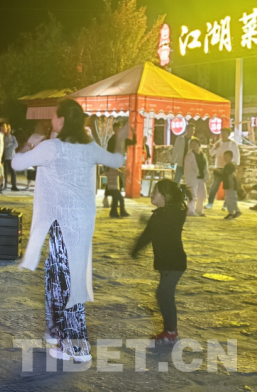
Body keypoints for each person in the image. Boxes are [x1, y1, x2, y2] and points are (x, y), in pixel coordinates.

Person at [12, 99, 125, 363]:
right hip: (80, 222)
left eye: (55, 115)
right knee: (57, 276)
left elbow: (17, 163)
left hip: (63, 224)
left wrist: (29, 145)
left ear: (61, 120)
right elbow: (116, 159)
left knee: (65, 281)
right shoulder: (88, 147)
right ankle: (59, 335)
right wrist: (121, 138)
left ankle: (77, 347)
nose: (52, 119)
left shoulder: (51, 147)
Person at [132, 179, 188, 345]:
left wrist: (150, 222)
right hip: (166, 263)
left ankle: (170, 332)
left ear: (165, 195)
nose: (151, 194)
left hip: (174, 263)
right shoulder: (160, 215)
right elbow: (148, 235)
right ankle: (171, 331)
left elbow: (161, 225)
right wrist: (135, 250)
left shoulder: (172, 213)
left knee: (164, 294)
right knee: (165, 295)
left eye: (155, 191)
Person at [206, 127, 239, 209]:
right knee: (214, 186)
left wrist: (235, 166)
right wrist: (215, 147)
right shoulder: (218, 143)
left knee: (228, 188)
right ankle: (210, 203)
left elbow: (236, 156)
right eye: (222, 133)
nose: (223, 135)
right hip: (218, 167)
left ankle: (226, 204)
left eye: (225, 133)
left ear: (228, 134)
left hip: (228, 169)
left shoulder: (233, 144)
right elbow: (211, 153)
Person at [19, 123, 50, 190]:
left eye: (38, 127)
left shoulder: (43, 137)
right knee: (28, 171)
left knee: (37, 173)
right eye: (36, 127)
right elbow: (28, 145)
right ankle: (28, 185)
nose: (37, 128)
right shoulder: (33, 136)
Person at [183, 137, 207, 217]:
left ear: (199, 145)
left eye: (195, 144)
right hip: (192, 177)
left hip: (201, 177)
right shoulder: (189, 155)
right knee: (192, 194)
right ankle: (190, 210)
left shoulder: (202, 155)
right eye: (192, 144)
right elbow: (187, 168)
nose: (193, 146)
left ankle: (199, 210)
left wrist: (206, 174)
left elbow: (205, 166)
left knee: (202, 195)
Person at [219, 150, 242, 219]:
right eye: (225, 157)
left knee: (230, 199)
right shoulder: (230, 165)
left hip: (230, 185)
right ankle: (234, 212)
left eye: (227, 157)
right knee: (229, 199)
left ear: (231, 157)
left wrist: (217, 172)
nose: (225, 158)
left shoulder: (230, 166)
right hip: (228, 185)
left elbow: (225, 174)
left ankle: (233, 212)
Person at [2, 123, 19, 192]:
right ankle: (4, 185)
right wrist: (10, 144)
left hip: (12, 157)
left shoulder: (13, 137)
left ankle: (14, 185)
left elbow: (16, 144)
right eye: (7, 128)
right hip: (5, 157)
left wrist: (9, 146)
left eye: (9, 129)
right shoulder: (3, 137)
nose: (9, 130)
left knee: (13, 172)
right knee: (5, 172)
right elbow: (4, 145)